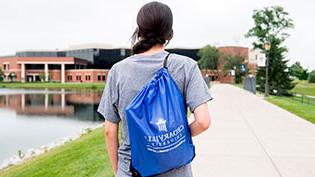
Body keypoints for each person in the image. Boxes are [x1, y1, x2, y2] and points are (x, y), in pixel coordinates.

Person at [98, 1, 213, 177]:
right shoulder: (186, 66)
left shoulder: (118, 71)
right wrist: (169, 138)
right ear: (170, 33)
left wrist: (118, 171)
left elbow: (109, 130)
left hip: (131, 170)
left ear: (139, 30)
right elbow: (203, 121)